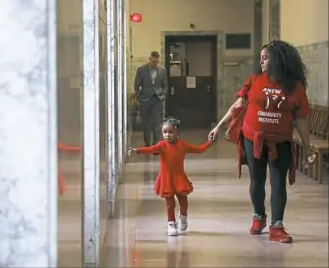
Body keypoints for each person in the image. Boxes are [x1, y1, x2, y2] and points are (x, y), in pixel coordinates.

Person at [208, 40, 314, 243]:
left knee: (277, 183)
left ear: (279, 59)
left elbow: (301, 119)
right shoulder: (255, 79)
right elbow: (238, 106)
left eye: (265, 57)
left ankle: (277, 226)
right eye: (260, 58)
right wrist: (218, 126)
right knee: (256, 180)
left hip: (281, 142)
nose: (261, 61)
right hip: (252, 138)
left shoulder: (295, 86)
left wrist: (307, 146)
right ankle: (258, 216)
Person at [127, 117, 214, 236]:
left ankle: (183, 216)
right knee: (170, 203)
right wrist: (137, 150)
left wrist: (210, 142)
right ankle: (171, 223)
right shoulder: (161, 145)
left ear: (178, 132)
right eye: (165, 132)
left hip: (179, 178)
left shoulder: (183, 145)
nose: (167, 135)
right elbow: (150, 149)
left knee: (183, 200)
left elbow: (199, 149)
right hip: (166, 179)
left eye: (170, 132)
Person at [134, 51, 168, 147]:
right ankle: (147, 143)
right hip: (145, 100)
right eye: (153, 62)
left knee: (157, 123)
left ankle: (156, 144)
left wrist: (163, 95)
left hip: (157, 99)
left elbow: (165, 84)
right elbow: (137, 85)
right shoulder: (141, 70)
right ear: (149, 60)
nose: (155, 64)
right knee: (146, 123)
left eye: (157, 62)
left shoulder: (162, 70)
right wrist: (138, 98)